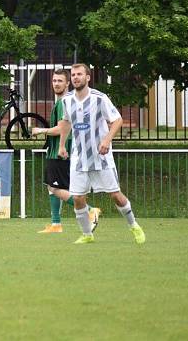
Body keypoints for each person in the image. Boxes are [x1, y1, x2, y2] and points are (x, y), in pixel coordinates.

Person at [57, 64, 146, 245]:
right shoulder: (66, 100)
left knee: (115, 194)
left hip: (101, 158)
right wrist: (61, 146)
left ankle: (134, 225)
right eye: (73, 75)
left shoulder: (99, 98)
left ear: (87, 77)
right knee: (78, 198)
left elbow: (117, 119)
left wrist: (106, 140)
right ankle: (87, 234)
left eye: (79, 74)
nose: (75, 78)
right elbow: (66, 122)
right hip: (79, 158)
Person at [33, 69, 101, 233]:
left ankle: (91, 210)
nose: (56, 84)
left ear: (67, 83)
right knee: (52, 187)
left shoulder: (64, 102)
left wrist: (41, 131)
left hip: (59, 151)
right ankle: (56, 224)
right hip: (60, 150)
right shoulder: (67, 101)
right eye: (54, 81)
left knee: (56, 189)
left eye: (60, 81)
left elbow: (62, 129)